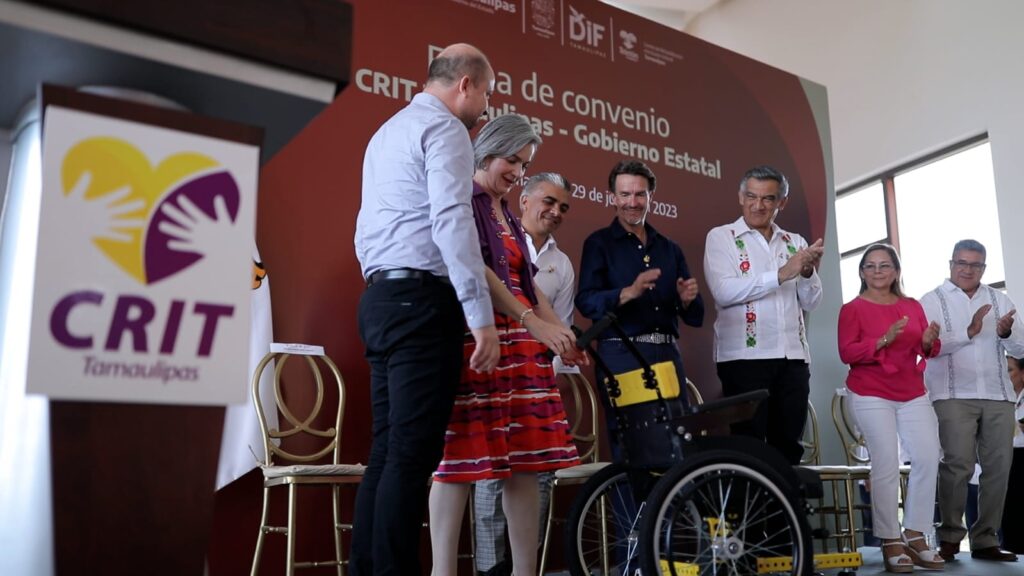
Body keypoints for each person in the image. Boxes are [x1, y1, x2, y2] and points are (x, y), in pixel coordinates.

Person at [351, 43, 501, 576]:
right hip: (421, 302)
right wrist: (480, 316)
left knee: (387, 452)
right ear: (465, 84)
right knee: (411, 456)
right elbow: (452, 221)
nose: (486, 106)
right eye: (486, 92)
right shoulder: (446, 130)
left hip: (380, 297)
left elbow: (366, 227)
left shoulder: (386, 131)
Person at [428, 115, 582, 576]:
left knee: (527, 463)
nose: (518, 172)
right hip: (483, 340)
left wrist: (561, 335)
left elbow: (528, 284)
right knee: (459, 459)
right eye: (512, 160)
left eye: (525, 164)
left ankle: (524, 571)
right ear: (488, 151)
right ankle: (442, 571)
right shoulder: (466, 199)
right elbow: (476, 269)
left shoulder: (508, 213)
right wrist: (533, 322)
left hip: (523, 351)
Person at [472, 172, 575, 576]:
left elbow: (559, 326)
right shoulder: (493, 232)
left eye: (563, 207)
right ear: (525, 199)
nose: (556, 211)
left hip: (537, 376)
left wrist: (557, 360)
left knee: (538, 473)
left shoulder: (561, 263)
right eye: (549, 201)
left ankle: (524, 567)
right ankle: (489, 569)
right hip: (496, 364)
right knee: (490, 472)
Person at [575, 159, 703, 464]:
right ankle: (634, 501)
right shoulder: (599, 243)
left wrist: (687, 299)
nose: (632, 202)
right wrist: (628, 293)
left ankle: (672, 500)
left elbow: (696, 316)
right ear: (612, 197)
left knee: (677, 445)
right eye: (625, 194)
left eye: (639, 194)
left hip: (668, 356)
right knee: (632, 449)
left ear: (651, 196)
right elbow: (586, 301)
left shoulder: (669, 248)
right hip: (621, 356)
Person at [703, 165, 823, 465]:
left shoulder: (795, 242)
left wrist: (807, 272)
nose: (758, 205)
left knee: (789, 447)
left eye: (768, 198)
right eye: (751, 196)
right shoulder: (722, 237)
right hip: (743, 359)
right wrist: (782, 274)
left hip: (793, 358)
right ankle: (753, 500)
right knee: (748, 447)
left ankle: (784, 499)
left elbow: (811, 302)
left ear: (782, 202)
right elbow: (724, 291)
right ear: (740, 197)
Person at [837, 243, 944, 573]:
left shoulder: (911, 305)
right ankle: (889, 539)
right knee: (885, 463)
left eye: (884, 265)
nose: (877, 271)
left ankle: (915, 533)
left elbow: (927, 348)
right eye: (870, 266)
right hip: (870, 392)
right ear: (862, 272)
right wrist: (883, 339)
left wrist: (928, 341)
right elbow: (847, 352)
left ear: (896, 272)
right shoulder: (852, 309)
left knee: (928, 457)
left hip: (911, 390)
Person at [921, 239, 1024, 562]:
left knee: (998, 468)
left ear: (984, 268)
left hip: (998, 394)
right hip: (952, 393)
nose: (967, 270)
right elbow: (928, 348)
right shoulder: (931, 301)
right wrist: (969, 331)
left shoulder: (1000, 299)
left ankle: (986, 540)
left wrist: (1006, 334)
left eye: (975, 265)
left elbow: (1021, 349)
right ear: (951, 264)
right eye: (962, 263)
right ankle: (950, 538)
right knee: (957, 465)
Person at [1002, 355, 1024, 553]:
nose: (1005, 374)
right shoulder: (999, 397)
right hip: (1004, 456)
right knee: (1007, 509)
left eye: (1009, 370)